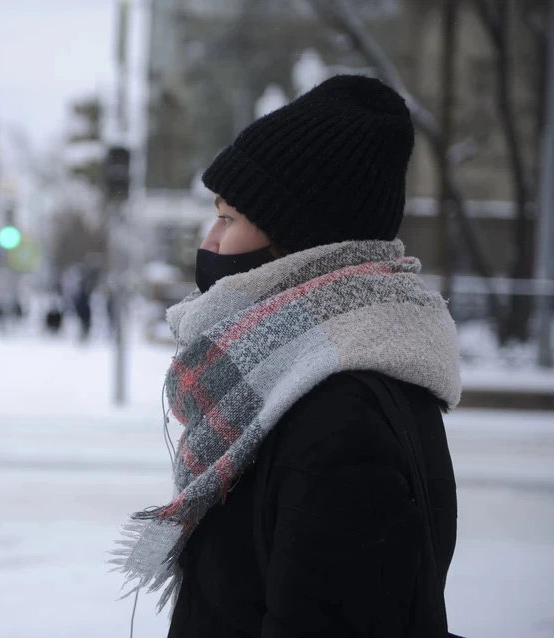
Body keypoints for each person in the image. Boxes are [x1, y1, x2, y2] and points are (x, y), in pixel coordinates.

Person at [112, 76, 463, 637]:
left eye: (227, 218)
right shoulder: (302, 384)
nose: (210, 241)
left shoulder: (339, 420)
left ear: (297, 237)